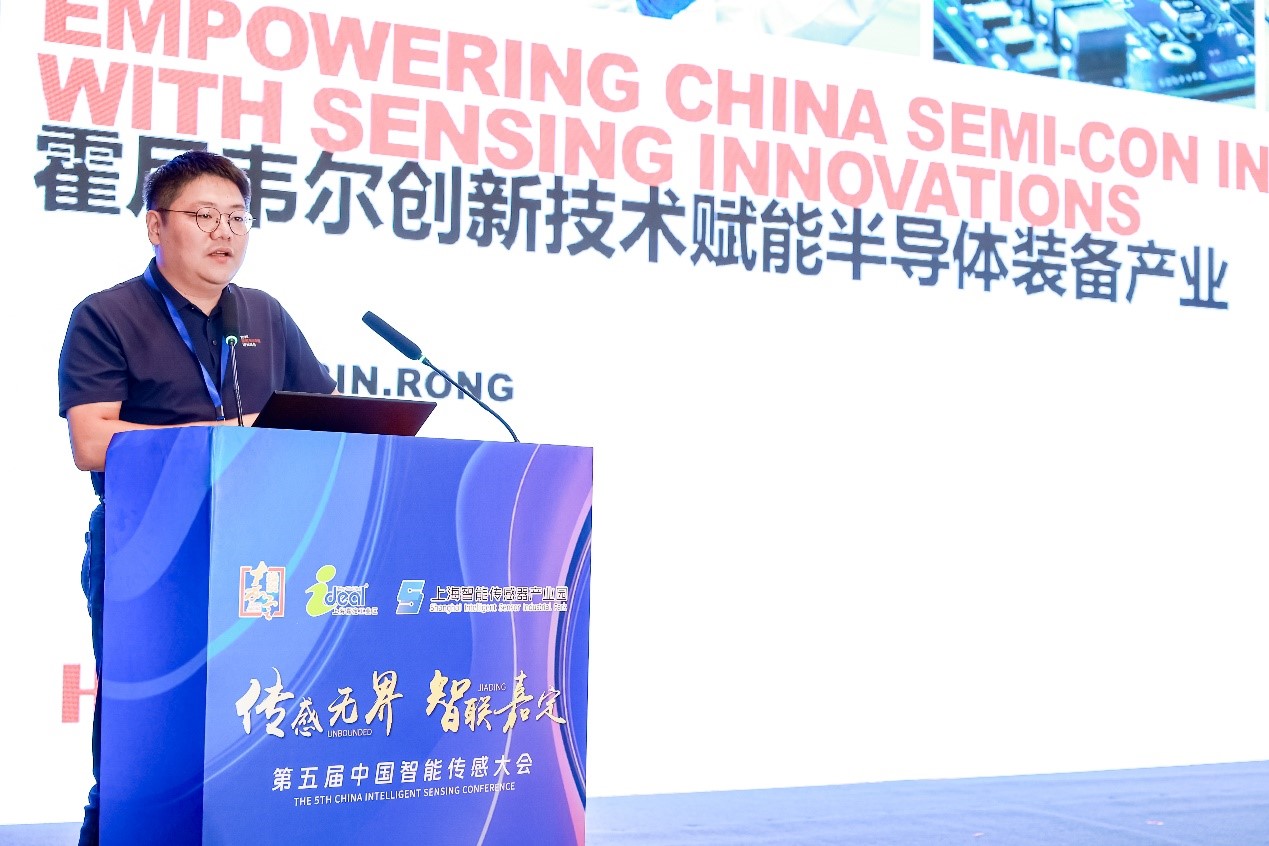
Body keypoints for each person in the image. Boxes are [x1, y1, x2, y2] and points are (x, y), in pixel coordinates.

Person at [57, 150, 336, 846]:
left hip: (261, 552)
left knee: (252, 727)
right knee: (145, 746)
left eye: (237, 218)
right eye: (204, 216)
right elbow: (91, 440)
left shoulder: (264, 313)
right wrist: (226, 434)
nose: (224, 233)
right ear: (156, 226)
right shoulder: (108, 314)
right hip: (151, 553)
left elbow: (322, 416)